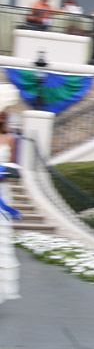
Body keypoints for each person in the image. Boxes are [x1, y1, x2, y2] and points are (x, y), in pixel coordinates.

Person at [0, 98, 20, 303]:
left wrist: (5, 173)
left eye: (4, 112)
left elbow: (14, 167)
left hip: (1, 192)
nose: (2, 115)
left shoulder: (11, 139)